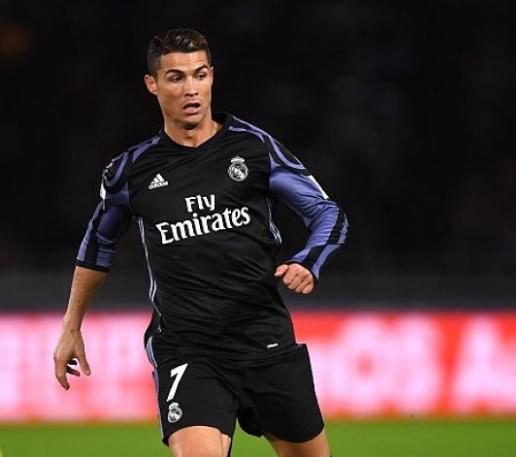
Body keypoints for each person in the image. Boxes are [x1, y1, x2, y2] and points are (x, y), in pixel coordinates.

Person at [53, 28, 348, 457]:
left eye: (200, 74)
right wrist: (71, 325)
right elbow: (97, 244)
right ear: (152, 85)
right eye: (176, 77)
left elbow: (328, 213)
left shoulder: (252, 147)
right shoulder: (131, 172)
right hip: (187, 348)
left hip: (264, 339)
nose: (191, 89)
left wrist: (309, 260)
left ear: (212, 77)